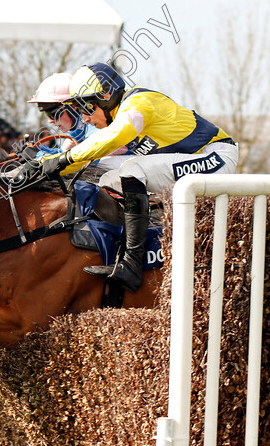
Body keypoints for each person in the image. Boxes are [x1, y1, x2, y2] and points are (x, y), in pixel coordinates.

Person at [33, 62, 239, 292]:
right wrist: (37, 166)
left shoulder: (138, 103)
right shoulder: (118, 113)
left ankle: (133, 261)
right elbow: (84, 158)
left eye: (88, 109)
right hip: (193, 160)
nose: (86, 118)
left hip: (215, 156)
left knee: (132, 170)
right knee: (108, 180)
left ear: (107, 96)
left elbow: (116, 135)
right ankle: (127, 252)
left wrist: (62, 159)